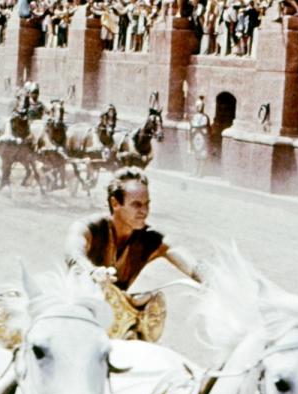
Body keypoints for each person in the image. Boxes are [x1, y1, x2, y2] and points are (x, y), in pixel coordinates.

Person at [65, 168, 203, 291]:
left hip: (115, 314)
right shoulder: (89, 228)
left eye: (146, 204)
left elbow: (186, 259)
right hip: (78, 310)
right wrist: (92, 272)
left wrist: (206, 279)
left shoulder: (150, 239)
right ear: (115, 203)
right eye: (136, 205)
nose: (144, 211)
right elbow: (74, 254)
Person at [188, 95, 212, 177]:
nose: (199, 108)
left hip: (202, 140)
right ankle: (194, 171)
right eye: (197, 106)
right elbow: (192, 128)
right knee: (195, 155)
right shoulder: (194, 117)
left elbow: (207, 129)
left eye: (200, 106)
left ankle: (200, 173)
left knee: (202, 155)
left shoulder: (205, 117)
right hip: (195, 139)